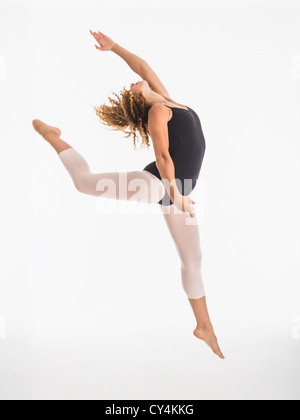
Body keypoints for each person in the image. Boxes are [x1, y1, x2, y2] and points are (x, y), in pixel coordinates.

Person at [32, 30, 224, 359]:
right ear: (137, 100)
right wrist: (175, 196)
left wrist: (115, 47)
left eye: (132, 84)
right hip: (161, 185)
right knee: (84, 182)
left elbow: (143, 67)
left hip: (180, 190)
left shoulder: (167, 100)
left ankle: (204, 326)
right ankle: (52, 136)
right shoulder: (156, 112)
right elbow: (163, 157)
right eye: (131, 88)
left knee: (193, 260)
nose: (132, 83)